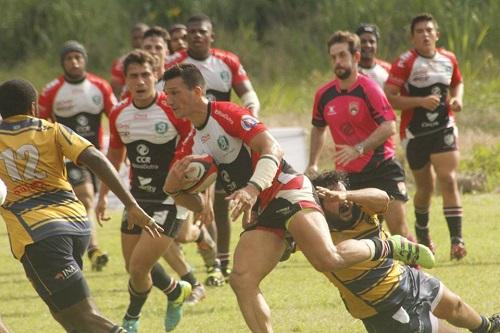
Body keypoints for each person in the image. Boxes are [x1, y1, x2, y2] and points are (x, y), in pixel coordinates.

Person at [161, 63, 434, 333]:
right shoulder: (191, 142)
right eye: (166, 93)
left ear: (197, 91)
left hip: (287, 188)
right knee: (242, 279)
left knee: (327, 259)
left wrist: (252, 188)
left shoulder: (227, 113)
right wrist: (175, 190)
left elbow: (273, 148)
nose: (168, 99)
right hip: (263, 208)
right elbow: (195, 204)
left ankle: (390, 246)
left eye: (174, 93)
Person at [0, 78, 162, 333]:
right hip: (77, 227)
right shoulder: (53, 130)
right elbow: (94, 157)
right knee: (68, 318)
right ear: (33, 107)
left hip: (39, 236)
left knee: (85, 317)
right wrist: (130, 204)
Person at [311, 171, 500, 333]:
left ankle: (488, 327)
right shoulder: (318, 233)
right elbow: (338, 253)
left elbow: (382, 197)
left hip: (406, 278)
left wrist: (347, 196)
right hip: (384, 307)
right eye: (331, 198)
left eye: (341, 194)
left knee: (456, 305)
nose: (341, 200)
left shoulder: (362, 207)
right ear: (320, 206)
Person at [96, 50, 193, 333]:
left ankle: (130, 320)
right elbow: (112, 159)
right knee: (134, 268)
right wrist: (103, 194)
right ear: (125, 80)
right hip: (137, 198)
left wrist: (205, 198)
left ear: (156, 76)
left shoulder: (173, 109)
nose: (140, 81)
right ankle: (176, 292)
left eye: (145, 75)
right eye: (133, 76)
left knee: (139, 267)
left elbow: (196, 151)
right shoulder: (118, 113)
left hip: (171, 198)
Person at [166, 14, 261, 280]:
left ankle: (222, 262)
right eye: (191, 31)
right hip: (190, 141)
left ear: (211, 36)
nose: (196, 35)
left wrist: (251, 116)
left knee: (222, 202)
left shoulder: (227, 61)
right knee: (193, 198)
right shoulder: (174, 64)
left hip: (224, 137)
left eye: (201, 31)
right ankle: (203, 246)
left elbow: (249, 95)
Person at [306, 30, 411, 239]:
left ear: (355, 57)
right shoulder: (324, 95)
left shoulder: (368, 88)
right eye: (334, 57)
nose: (338, 61)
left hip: (382, 168)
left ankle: (415, 269)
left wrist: (359, 149)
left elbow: (389, 125)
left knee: (399, 231)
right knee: (359, 237)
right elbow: (318, 129)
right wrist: (313, 163)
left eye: (343, 55)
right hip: (348, 177)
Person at [141, 25, 217, 304]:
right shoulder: (136, 97)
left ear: (167, 52)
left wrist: (205, 192)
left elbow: (202, 146)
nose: (152, 53)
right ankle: (192, 282)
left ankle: (199, 236)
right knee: (159, 236)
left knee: (182, 235)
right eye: (147, 48)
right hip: (150, 184)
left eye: (157, 48)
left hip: (182, 178)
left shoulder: (178, 97)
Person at [384, 13, 466, 260]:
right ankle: (422, 231)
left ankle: (457, 241)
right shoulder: (405, 62)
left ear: (437, 35)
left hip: (444, 128)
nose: (425, 34)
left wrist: (457, 99)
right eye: (419, 31)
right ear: (413, 38)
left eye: (429, 30)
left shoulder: (448, 58)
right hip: (415, 132)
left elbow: (458, 82)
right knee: (425, 188)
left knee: (448, 179)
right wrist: (419, 101)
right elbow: (389, 96)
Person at [38, 40, 117, 271]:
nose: (74, 62)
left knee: (86, 204)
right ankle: (92, 247)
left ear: (84, 59)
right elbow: (42, 125)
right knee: (86, 198)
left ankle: (87, 250)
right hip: (69, 155)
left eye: (78, 57)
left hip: (95, 155)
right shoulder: (51, 90)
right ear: (63, 62)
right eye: (69, 58)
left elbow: (116, 117)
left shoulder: (100, 86)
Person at [110, 22, 149, 97]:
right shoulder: (121, 62)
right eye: (135, 38)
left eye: (142, 37)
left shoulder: (162, 58)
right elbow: (116, 90)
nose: (138, 41)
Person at [355, 24, 392, 89]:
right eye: (363, 42)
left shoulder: (388, 70)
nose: (368, 45)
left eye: (371, 42)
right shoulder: (349, 70)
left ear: (377, 45)